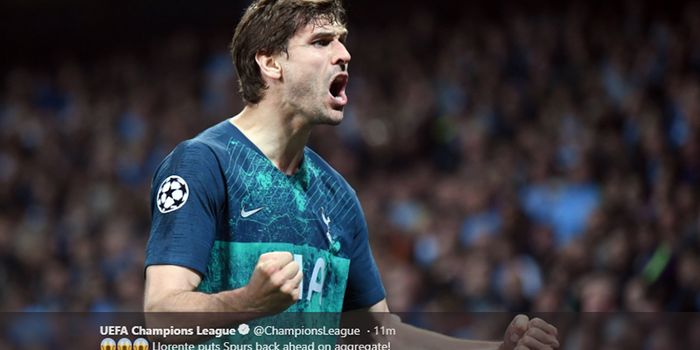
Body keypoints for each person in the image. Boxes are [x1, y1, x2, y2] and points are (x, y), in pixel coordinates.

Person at [143, 0, 559, 349]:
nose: (343, 54)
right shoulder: (203, 163)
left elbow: (380, 336)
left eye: (342, 41)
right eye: (321, 42)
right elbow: (161, 318)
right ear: (270, 63)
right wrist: (249, 302)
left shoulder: (337, 196)